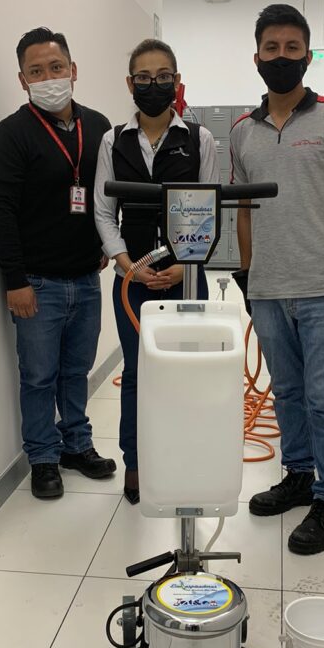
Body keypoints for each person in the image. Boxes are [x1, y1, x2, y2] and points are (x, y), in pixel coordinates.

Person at [230, 4, 324, 555]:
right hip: (269, 288)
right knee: (287, 391)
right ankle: (298, 475)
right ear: (257, 57)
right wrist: (247, 276)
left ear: (307, 56)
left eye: (292, 48)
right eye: (272, 48)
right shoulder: (242, 132)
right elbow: (244, 210)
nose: (282, 57)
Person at [0, 27, 116, 500]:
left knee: (76, 370)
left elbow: (107, 195)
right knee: (38, 376)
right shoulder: (10, 136)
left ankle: (76, 445)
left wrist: (108, 243)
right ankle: (42, 457)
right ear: (22, 80)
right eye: (36, 71)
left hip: (86, 276)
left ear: (73, 70)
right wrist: (15, 280)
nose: (48, 78)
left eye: (56, 67)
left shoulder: (99, 127)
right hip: (37, 283)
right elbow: (0, 212)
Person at [94, 39, 219, 504]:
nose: (153, 85)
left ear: (177, 82)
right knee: (139, 372)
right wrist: (129, 266)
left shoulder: (199, 139)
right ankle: (136, 463)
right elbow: (104, 212)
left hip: (186, 278)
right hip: (133, 281)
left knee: (187, 372)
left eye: (163, 77)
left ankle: (183, 459)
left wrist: (186, 267)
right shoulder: (113, 141)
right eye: (144, 78)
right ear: (130, 84)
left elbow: (210, 210)